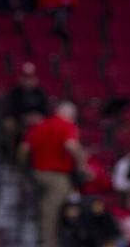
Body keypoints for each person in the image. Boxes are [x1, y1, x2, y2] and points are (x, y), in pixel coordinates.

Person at [21, 100, 86, 247]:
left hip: (37, 174)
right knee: (52, 211)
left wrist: (24, 168)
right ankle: (50, 243)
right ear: (71, 115)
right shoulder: (67, 126)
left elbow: (24, 148)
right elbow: (71, 146)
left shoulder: (41, 125)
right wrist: (82, 163)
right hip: (57, 177)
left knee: (47, 209)